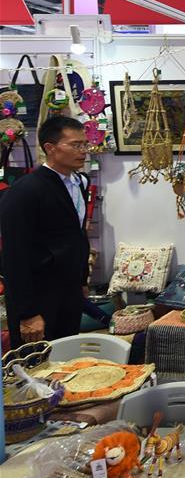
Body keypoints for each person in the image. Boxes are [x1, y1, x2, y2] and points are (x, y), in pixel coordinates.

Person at [0, 116, 90, 347]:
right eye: (75, 145)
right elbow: (14, 254)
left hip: (69, 291)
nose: (83, 151)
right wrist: (27, 312)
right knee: (37, 363)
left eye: (85, 144)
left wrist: (82, 280)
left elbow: (77, 236)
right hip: (39, 295)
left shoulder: (79, 182)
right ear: (50, 148)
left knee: (67, 359)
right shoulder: (25, 191)